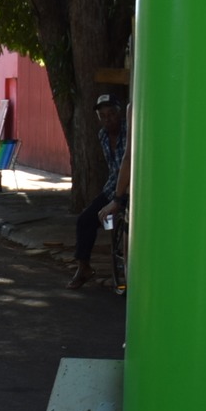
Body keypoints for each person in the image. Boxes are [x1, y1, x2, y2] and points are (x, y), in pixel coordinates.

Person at [68, 93, 129, 289]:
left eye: (111, 114)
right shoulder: (102, 135)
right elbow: (113, 170)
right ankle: (83, 267)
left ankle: (127, 273)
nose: (107, 119)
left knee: (127, 228)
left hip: (131, 190)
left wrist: (118, 201)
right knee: (85, 220)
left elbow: (128, 167)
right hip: (113, 188)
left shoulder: (129, 133)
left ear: (120, 114)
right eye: (103, 115)